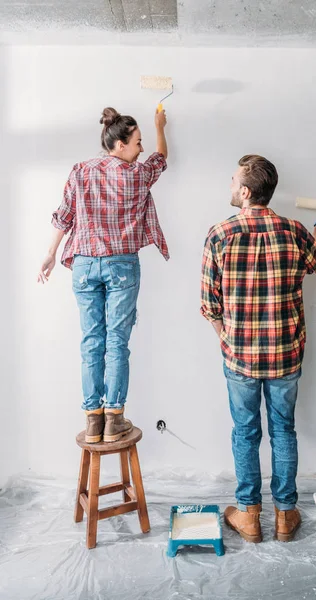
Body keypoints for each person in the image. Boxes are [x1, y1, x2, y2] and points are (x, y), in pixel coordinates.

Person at [200, 155, 316, 543]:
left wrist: (226, 338)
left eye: (233, 181)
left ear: (245, 191)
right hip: (285, 355)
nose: (230, 186)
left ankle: (247, 516)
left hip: (239, 357)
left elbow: (209, 305)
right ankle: (284, 516)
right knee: (284, 431)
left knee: (245, 433)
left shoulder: (220, 234)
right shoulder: (294, 232)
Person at [37, 106, 169, 444]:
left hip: (83, 263)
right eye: (137, 143)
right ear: (121, 145)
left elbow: (64, 216)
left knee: (91, 342)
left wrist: (51, 253)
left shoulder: (81, 170)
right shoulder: (137, 175)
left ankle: (93, 420)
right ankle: (114, 419)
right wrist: (159, 127)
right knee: (116, 343)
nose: (141, 149)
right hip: (121, 264)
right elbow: (162, 157)